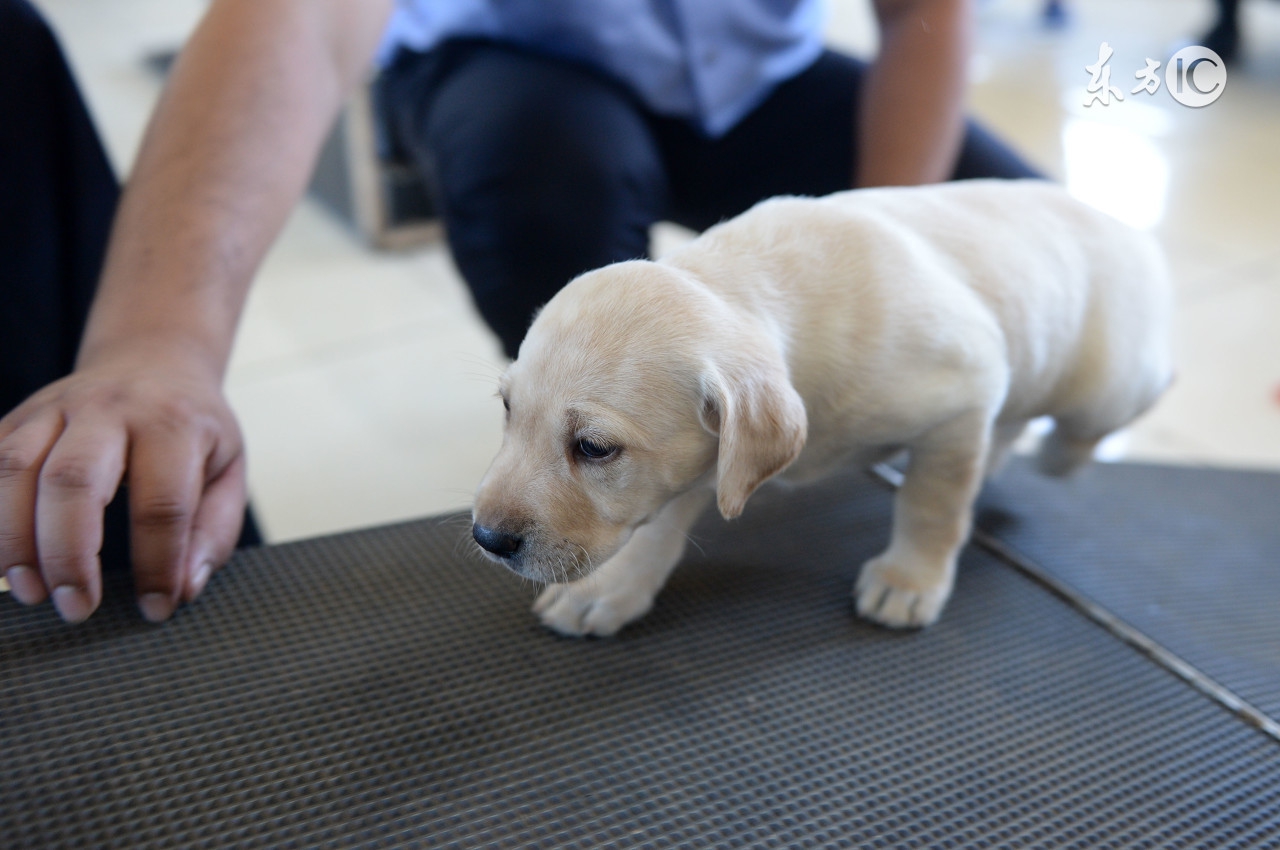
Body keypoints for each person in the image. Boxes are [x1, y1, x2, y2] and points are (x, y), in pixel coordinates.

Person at [0, 0, 1039, 625]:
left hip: (755, 74)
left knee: (1010, 225)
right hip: (515, 56)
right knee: (542, 184)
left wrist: (881, 242)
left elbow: (923, 16)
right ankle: (591, 446)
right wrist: (157, 339)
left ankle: (651, 439)